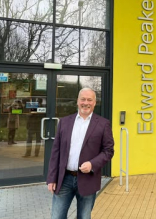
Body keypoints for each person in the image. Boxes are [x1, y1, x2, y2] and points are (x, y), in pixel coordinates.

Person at [47, 88, 114, 219]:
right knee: (56, 216)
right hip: (64, 179)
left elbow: (108, 151)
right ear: (77, 101)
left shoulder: (103, 124)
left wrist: (92, 164)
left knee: (84, 217)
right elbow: (56, 152)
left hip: (88, 179)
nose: (86, 103)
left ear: (95, 102)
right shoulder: (64, 122)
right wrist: (51, 178)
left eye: (89, 100)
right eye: (83, 99)